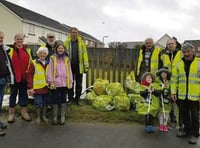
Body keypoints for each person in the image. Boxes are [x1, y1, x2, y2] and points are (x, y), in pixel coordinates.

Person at [171, 43, 199, 144]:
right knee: (184, 114)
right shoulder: (179, 64)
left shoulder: (199, 63)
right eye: (184, 52)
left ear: (193, 52)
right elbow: (174, 79)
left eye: (188, 51)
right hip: (182, 95)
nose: (186, 54)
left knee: (195, 116)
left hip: (195, 96)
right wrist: (173, 92)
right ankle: (186, 131)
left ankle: (195, 134)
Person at [8, 33, 32, 123]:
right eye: (17, 39)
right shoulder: (10, 50)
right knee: (13, 95)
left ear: (23, 40)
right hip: (13, 78)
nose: (19, 41)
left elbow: (31, 63)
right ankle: (11, 113)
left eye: (21, 39)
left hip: (24, 78)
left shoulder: (28, 50)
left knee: (23, 95)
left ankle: (24, 112)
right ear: (15, 40)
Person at [47, 43, 73, 125]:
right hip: (55, 83)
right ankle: (54, 117)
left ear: (64, 49)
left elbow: (69, 70)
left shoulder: (67, 59)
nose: (60, 50)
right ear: (56, 49)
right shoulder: (52, 58)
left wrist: (71, 81)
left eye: (62, 48)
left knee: (63, 99)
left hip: (65, 83)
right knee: (55, 99)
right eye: (59, 48)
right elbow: (50, 71)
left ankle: (62, 117)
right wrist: (51, 81)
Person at [64, 27, 89, 106]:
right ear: (70, 33)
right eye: (73, 32)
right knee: (70, 83)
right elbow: (63, 54)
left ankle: (78, 99)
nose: (74, 34)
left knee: (79, 84)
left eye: (76, 32)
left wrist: (86, 66)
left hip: (79, 66)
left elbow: (85, 54)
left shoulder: (81, 43)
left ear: (77, 33)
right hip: (69, 66)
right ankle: (70, 99)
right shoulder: (66, 42)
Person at [161, 38, 182, 129]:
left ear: (176, 44)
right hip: (168, 82)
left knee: (179, 103)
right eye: (168, 44)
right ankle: (173, 121)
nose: (170, 45)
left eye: (172, 44)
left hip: (179, 82)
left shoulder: (181, 54)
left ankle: (182, 123)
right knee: (169, 103)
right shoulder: (164, 56)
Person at [27, 47, 50, 125]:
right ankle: (38, 117)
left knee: (45, 103)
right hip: (37, 88)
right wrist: (30, 87)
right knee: (38, 103)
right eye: (41, 53)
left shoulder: (49, 63)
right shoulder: (33, 63)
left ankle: (43, 116)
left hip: (46, 87)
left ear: (46, 54)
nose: (42, 54)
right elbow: (29, 75)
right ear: (38, 54)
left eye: (44, 53)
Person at [0, 32, 14, 136]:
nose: (0, 39)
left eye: (2, 37)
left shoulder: (4, 49)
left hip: (3, 79)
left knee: (0, 101)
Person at [156, 67, 172, 132]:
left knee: (166, 113)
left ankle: (165, 125)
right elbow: (157, 88)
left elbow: (171, 89)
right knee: (161, 112)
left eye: (165, 73)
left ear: (167, 74)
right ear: (160, 74)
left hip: (168, 100)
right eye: (162, 73)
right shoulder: (158, 81)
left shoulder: (170, 82)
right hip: (161, 99)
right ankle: (161, 125)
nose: (163, 74)